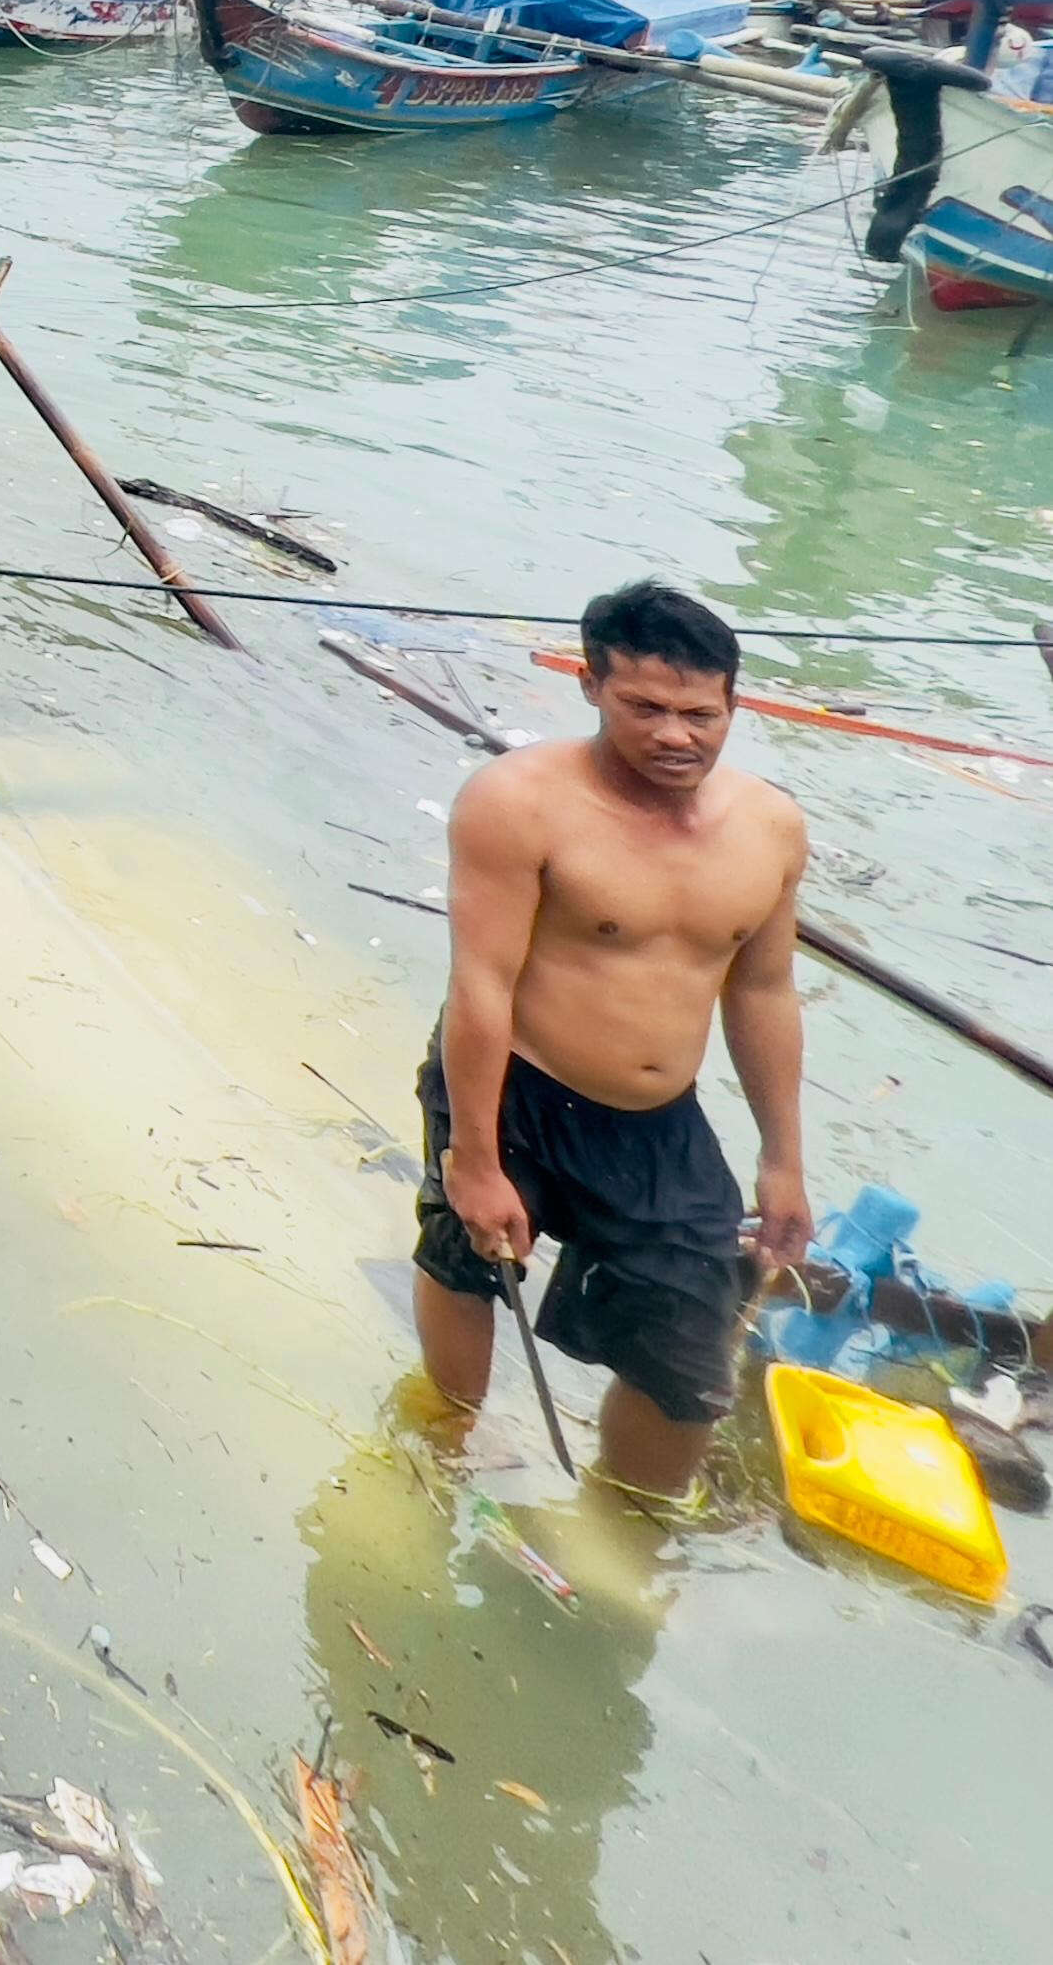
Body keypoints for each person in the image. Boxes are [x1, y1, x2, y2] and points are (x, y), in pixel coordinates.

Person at [413, 577, 810, 1500]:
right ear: (590, 687)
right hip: (516, 1081)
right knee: (469, 1261)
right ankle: (444, 1438)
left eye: (700, 714)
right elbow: (480, 985)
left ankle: (627, 1520)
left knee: (685, 1356)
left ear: (734, 704)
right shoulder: (517, 803)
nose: (676, 735)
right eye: (645, 708)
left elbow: (762, 989)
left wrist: (782, 1159)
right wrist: (472, 1157)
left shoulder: (771, 827)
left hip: (655, 1120)